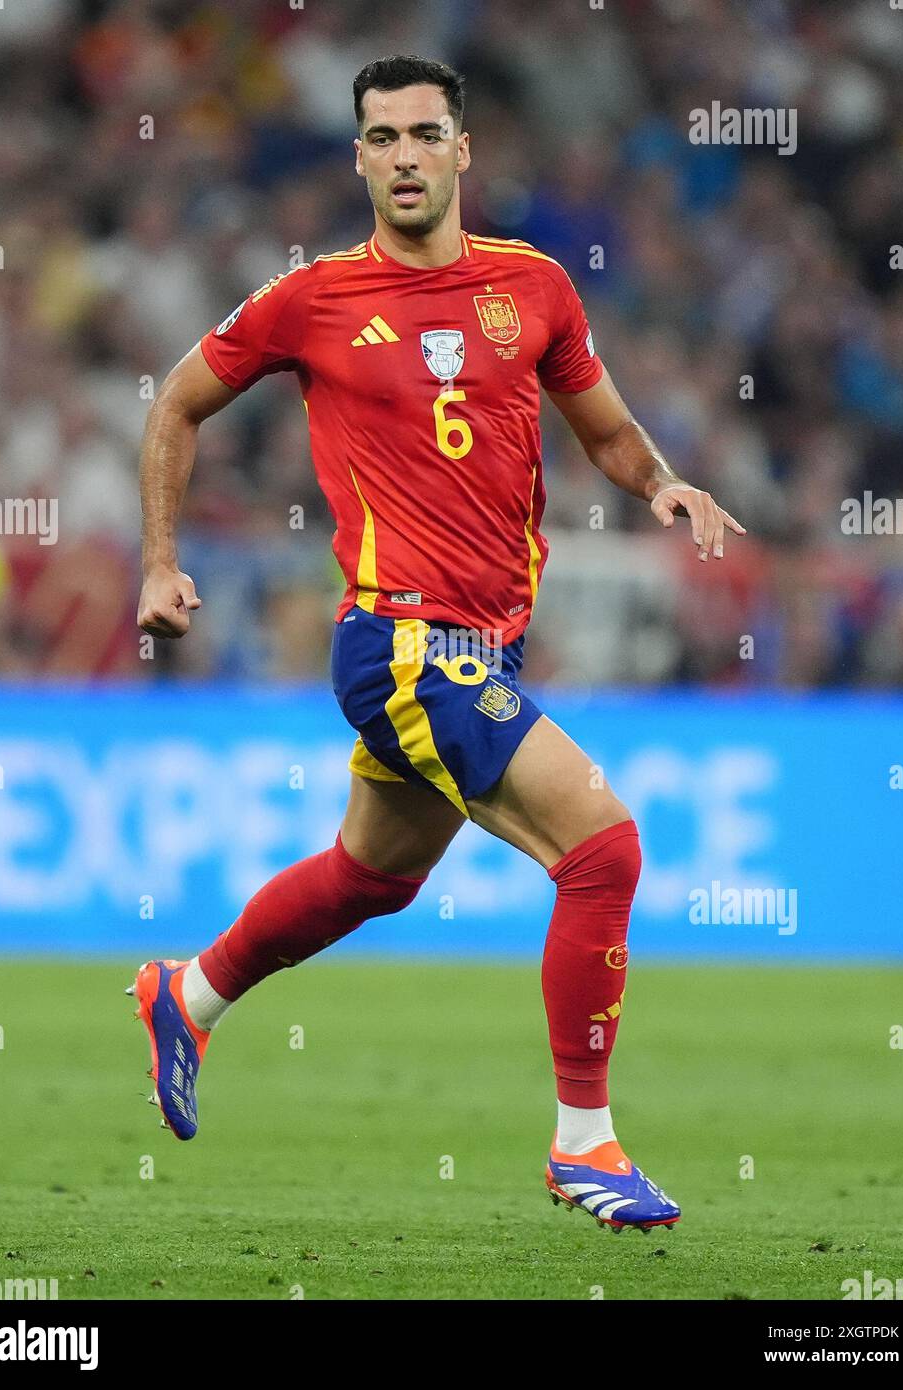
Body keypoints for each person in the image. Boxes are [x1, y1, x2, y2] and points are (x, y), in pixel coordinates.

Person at [129, 55, 744, 1234]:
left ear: (464, 150)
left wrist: (663, 482)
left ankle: (189, 992)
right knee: (604, 849)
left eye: (423, 133)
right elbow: (175, 402)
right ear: (357, 158)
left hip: (487, 649)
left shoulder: (537, 288)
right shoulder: (310, 299)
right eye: (379, 137)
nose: (403, 155)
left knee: (373, 876)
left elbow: (608, 432)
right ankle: (584, 1144)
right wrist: (159, 559)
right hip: (402, 644)